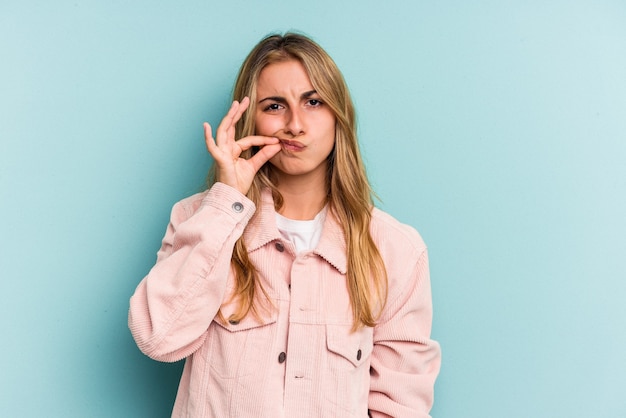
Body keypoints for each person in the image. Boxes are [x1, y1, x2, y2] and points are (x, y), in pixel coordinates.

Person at [129, 32, 441, 418]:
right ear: (248, 119)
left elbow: (400, 404)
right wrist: (227, 202)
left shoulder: (396, 249)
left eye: (313, 102)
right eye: (275, 105)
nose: (295, 125)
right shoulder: (198, 219)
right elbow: (158, 338)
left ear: (338, 113)